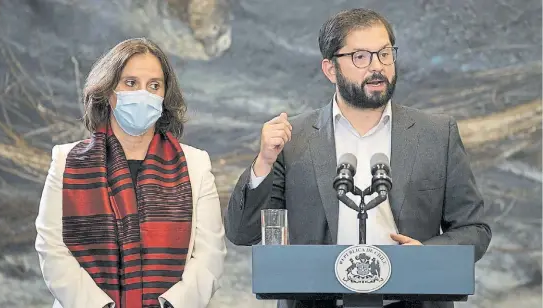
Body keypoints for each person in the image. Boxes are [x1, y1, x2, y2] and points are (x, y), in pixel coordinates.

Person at [224, 8, 491, 308]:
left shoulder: (436, 134)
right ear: (330, 69)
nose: (377, 67)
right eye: (360, 57)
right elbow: (241, 232)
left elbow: (474, 229)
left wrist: (427, 255)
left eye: (384, 54)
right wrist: (263, 163)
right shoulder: (293, 138)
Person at [35, 38, 227, 308]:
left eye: (154, 85)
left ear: (164, 96)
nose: (143, 94)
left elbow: (210, 258)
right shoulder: (66, 161)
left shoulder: (195, 164)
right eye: (131, 83)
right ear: (109, 90)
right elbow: (51, 248)